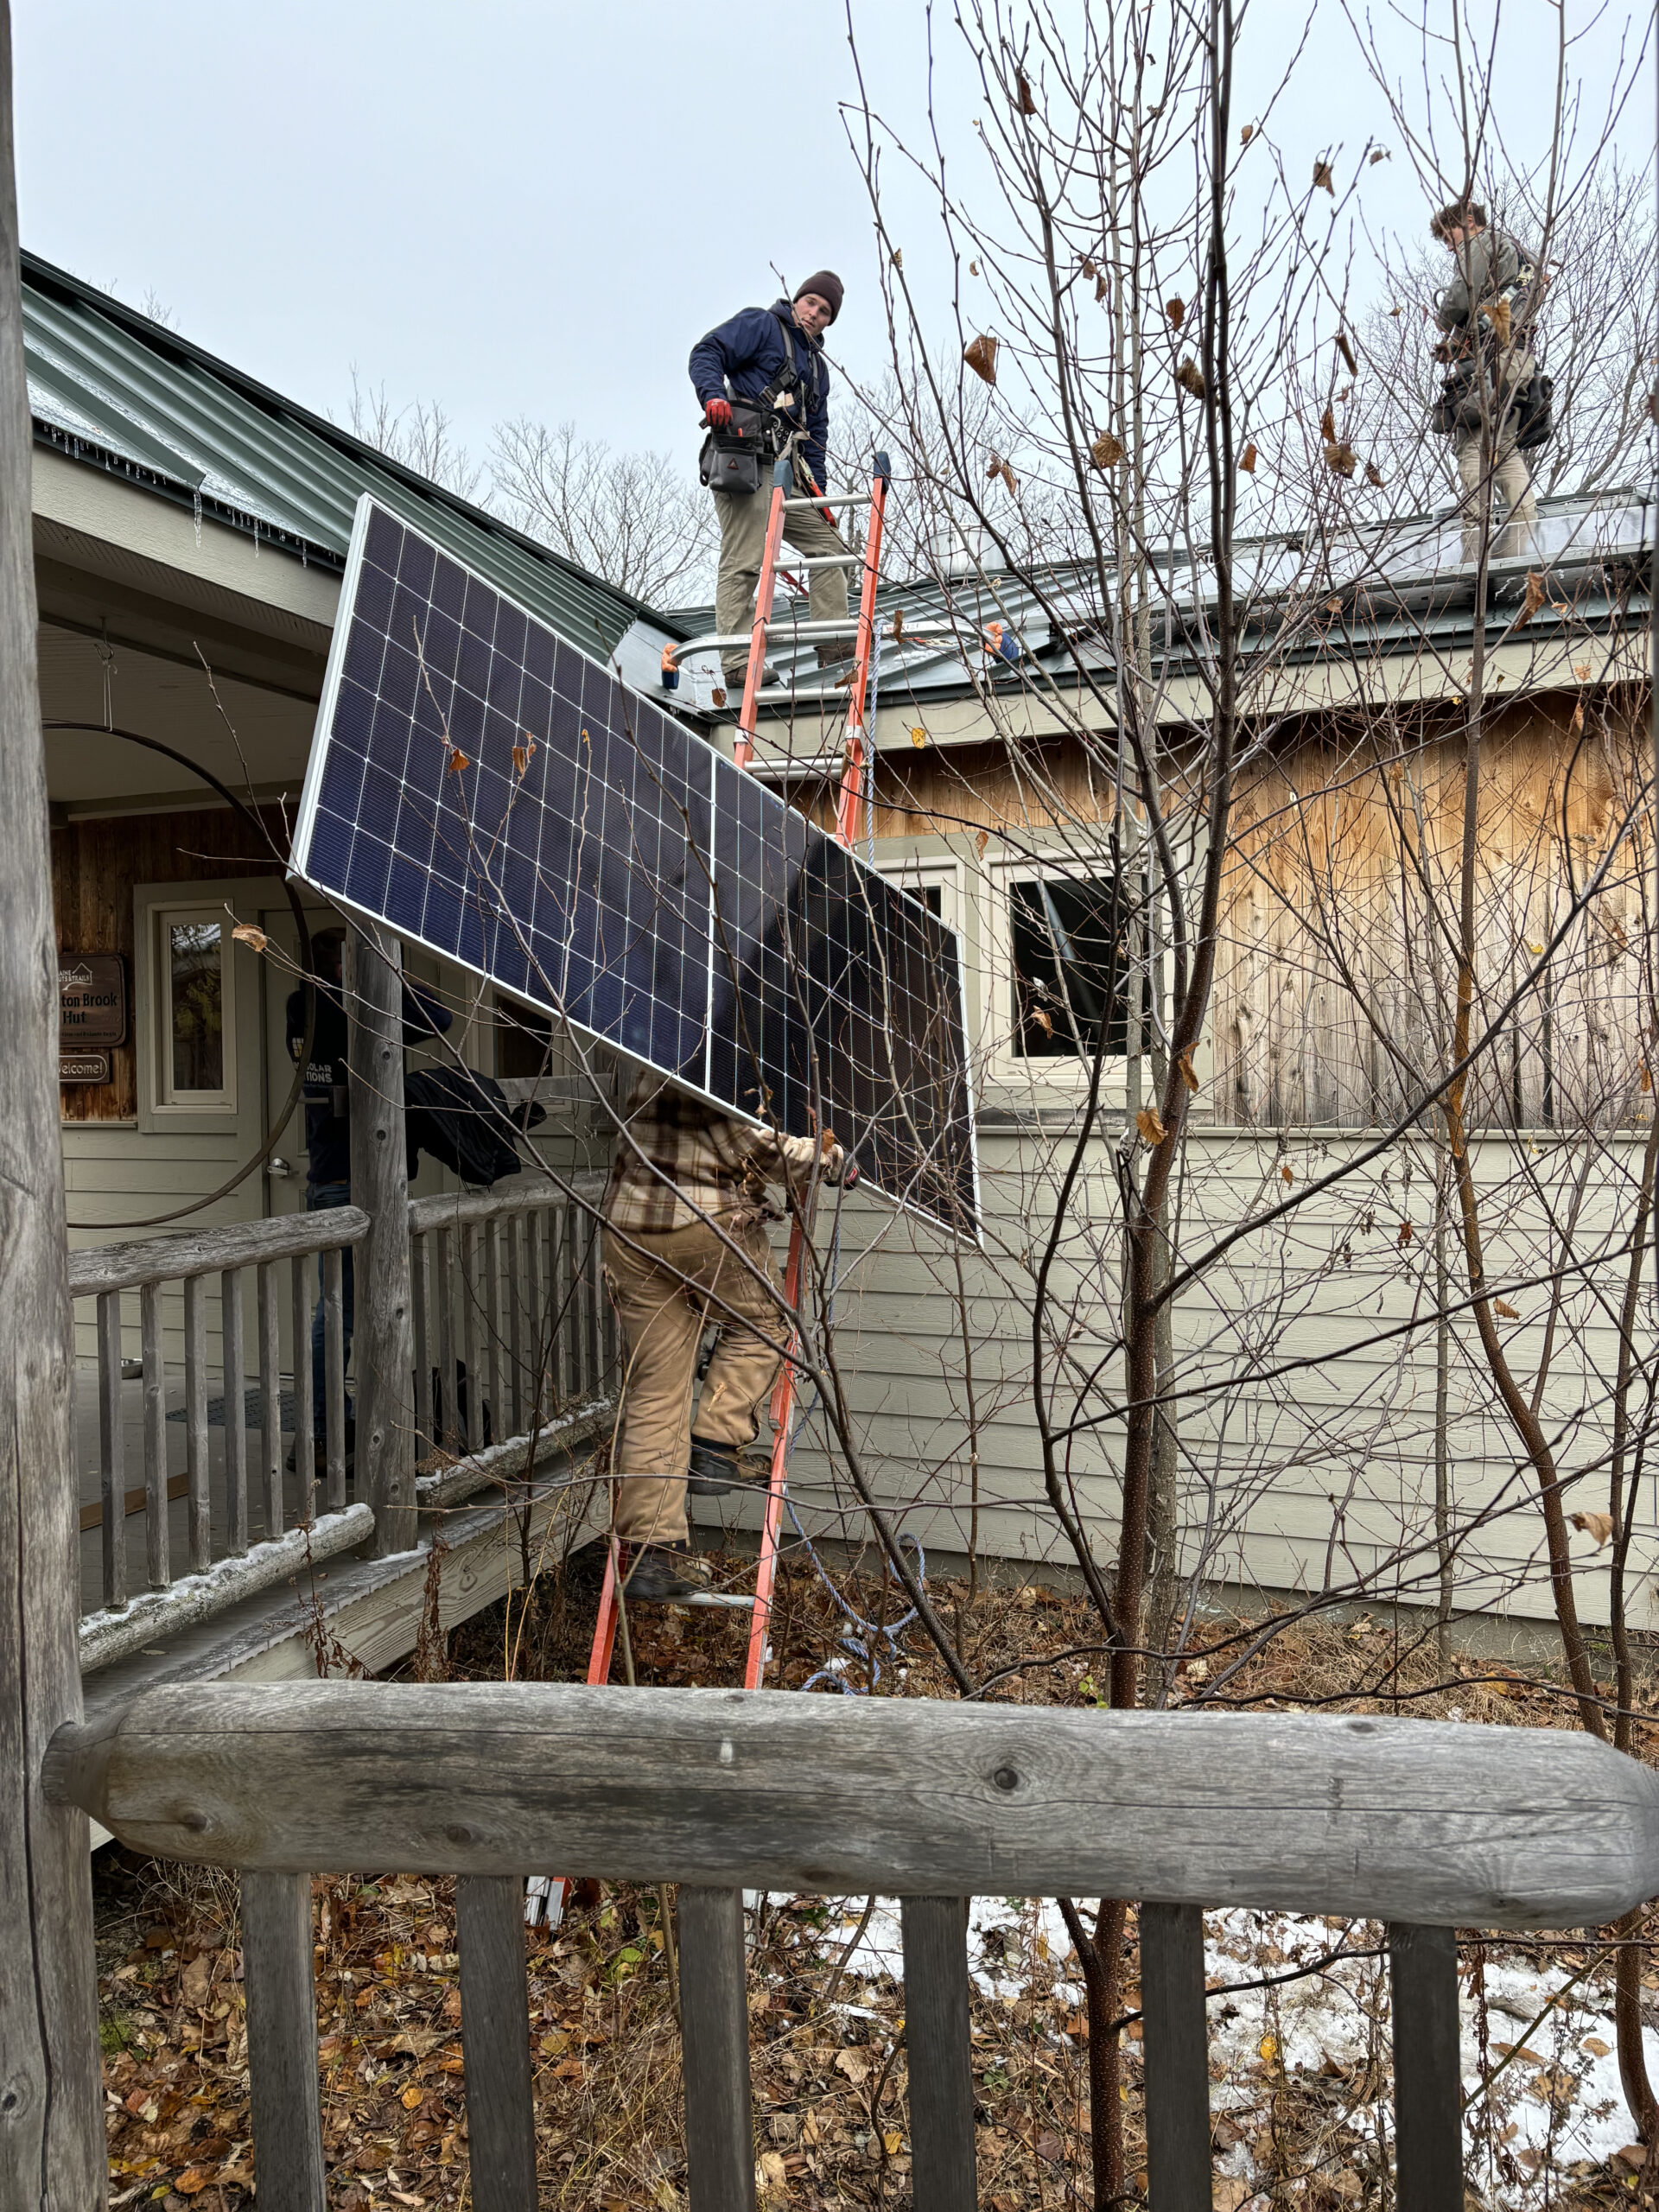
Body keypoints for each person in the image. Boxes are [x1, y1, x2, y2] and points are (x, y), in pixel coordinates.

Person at [601, 1073, 844, 1600]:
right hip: (701, 1226)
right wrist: (829, 1158)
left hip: (627, 1231)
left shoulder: (646, 1055)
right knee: (765, 1324)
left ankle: (651, 1558)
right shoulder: (712, 1061)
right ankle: (716, 1441)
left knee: (657, 1391)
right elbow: (761, 1148)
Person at [284, 931, 453, 1470]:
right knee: (341, 1314)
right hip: (358, 1183)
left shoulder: (302, 1004)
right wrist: (394, 970)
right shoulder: (349, 1004)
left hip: (330, 1176)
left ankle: (336, 1422)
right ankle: (321, 1429)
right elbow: (441, 1019)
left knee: (343, 1311)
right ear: (352, 966)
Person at [689, 273, 850, 695]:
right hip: (745, 459)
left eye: (824, 311)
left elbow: (816, 437)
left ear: (829, 322)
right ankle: (739, 662)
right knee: (746, 558)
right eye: (810, 303)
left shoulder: (817, 369)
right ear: (797, 300)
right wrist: (712, 396)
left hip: (788, 472)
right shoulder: (762, 325)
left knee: (830, 547)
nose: (814, 313)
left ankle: (834, 644)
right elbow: (706, 351)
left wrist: (820, 497)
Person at [1430, 197, 1539, 563]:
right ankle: (1523, 549)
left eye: (1450, 235)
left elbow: (1458, 300)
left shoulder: (1482, 243)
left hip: (1489, 364)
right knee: (1504, 449)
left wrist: (1445, 321)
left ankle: (1474, 562)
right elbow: (1498, 311)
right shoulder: (1522, 258)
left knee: (1473, 449)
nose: (1450, 246)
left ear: (1470, 220)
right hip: (1516, 360)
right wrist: (1457, 344)